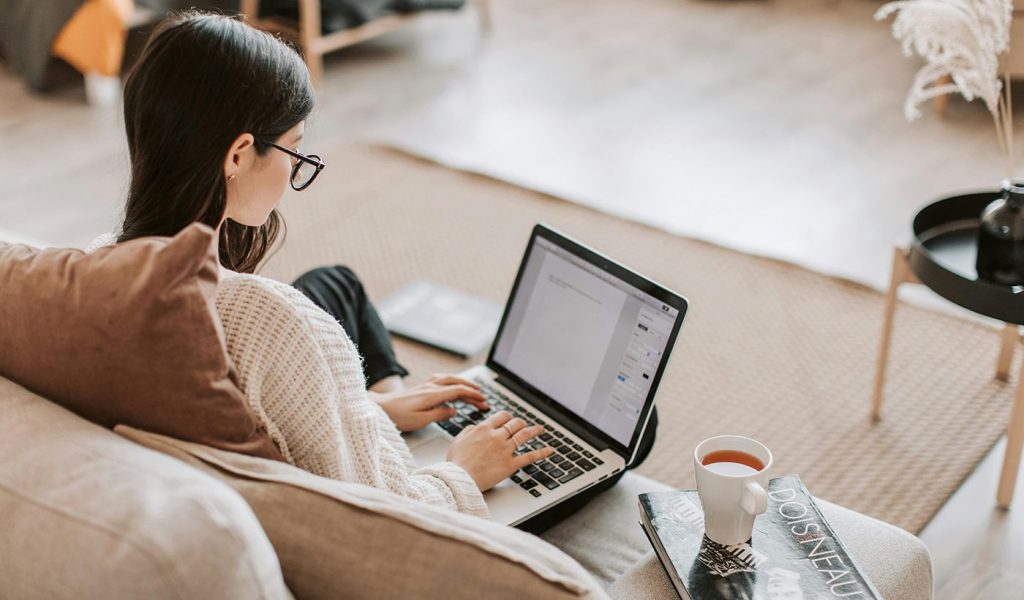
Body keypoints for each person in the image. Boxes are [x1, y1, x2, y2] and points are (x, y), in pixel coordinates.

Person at [94, 11, 655, 529]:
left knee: (335, 283)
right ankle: (417, 417)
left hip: (322, 398)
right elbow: (386, 514)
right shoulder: (277, 322)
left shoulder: (94, 265)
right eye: (295, 152)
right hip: (408, 500)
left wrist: (375, 407)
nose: (296, 173)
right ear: (239, 155)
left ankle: (398, 394)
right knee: (635, 427)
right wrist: (464, 467)